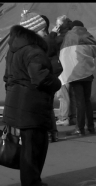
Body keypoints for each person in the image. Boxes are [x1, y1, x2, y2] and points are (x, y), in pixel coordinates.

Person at [2, 12, 61, 186]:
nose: (46, 33)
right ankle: (31, 183)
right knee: (35, 145)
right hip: (32, 104)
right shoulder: (33, 50)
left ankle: (30, 181)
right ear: (37, 30)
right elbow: (40, 78)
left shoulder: (14, 49)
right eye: (44, 30)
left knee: (28, 144)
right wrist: (57, 82)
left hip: (17, 100)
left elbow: (7, 77)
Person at [60, 20, 96, 136]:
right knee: (87, 100)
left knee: (79, 102)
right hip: (88, 72)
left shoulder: (69, 36)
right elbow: (95, 53)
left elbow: (64, 53)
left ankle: (79, 128)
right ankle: (91, 127)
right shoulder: (89, 36)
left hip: (76, 73)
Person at [36, 15, 61, 143]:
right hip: (49, 74)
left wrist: (52, 34)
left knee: (46, 105)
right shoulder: (48, 38)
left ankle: (51, 133)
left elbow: (48, 53)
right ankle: (51, 133)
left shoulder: (47, 39)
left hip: (47, 74)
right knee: (48, 105)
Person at [50, 15, 73, 127]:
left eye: (58, 24)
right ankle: (68, 116)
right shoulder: (70, 35)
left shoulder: (62, 37)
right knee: (66, 93)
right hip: (68, 67)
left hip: (62, 68)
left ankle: (64, 118)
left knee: (62, 94)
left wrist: (52, 33)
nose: (56, 26)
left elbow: (50, 44)